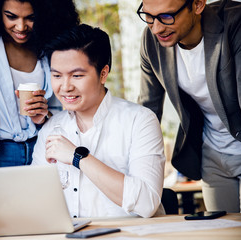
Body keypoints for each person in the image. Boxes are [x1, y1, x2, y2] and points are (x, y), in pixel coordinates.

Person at [32, 24, 166, 218]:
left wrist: (78, 157)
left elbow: (146, 203)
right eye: (57, 76)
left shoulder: (140, 121)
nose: (65, 87)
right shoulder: (51, 129)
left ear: (103, 73)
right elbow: (36, 200)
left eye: (77, 75)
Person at [137, 0, 241, 212]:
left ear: (197, 5)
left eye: (167, 16)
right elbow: (147, 110)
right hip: (211, 153)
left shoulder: (237, 23)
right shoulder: (151, 41)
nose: (156, 27)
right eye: (148, 16)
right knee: (221, 232)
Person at [0, 0, 80, 169]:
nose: (21, 27)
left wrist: (44, 117)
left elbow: (58, 115)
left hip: (43, 148)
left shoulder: (48, 41)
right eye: (11, 16)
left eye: (31, 17)